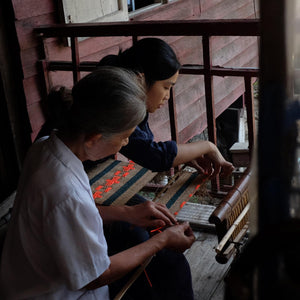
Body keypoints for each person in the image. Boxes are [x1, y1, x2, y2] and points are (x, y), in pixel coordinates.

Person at [0, 67, 195, 299]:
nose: (126, 142)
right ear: (94, 139)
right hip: (52, 294)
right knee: (167, 270)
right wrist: (162, 240)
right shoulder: (66, 191)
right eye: (125, 136)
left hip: (26, 280)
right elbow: (97, 275)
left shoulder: (45, 146)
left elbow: (58, 217)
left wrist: (126, 213)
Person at [98, 38, 234, 177]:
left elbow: (147, 146)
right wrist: (208, 146)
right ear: (141, 80)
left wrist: (184, 154)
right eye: (166, 87)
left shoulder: (130, 99)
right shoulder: (116, 103)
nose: (167, 96)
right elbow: (154, 157)